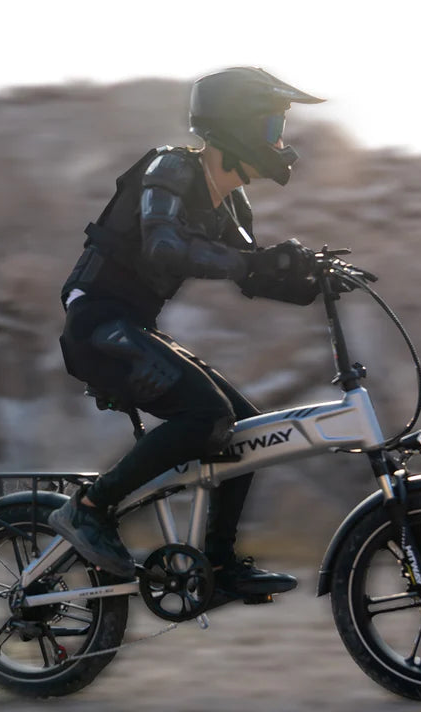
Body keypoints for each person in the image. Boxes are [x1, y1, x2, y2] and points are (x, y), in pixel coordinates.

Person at [49, 67, 324, 598]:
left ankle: (218, 568)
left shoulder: (231, 204)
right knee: (206, 415)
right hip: (97, 323)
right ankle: (89, 508)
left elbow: (248, 269)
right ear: (235, 127)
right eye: (271, 127)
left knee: (247, 434)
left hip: (132, 327)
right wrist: (253, 264)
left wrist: (311, 277)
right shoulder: (171, 166)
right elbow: (165, 247)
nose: (280, 142)